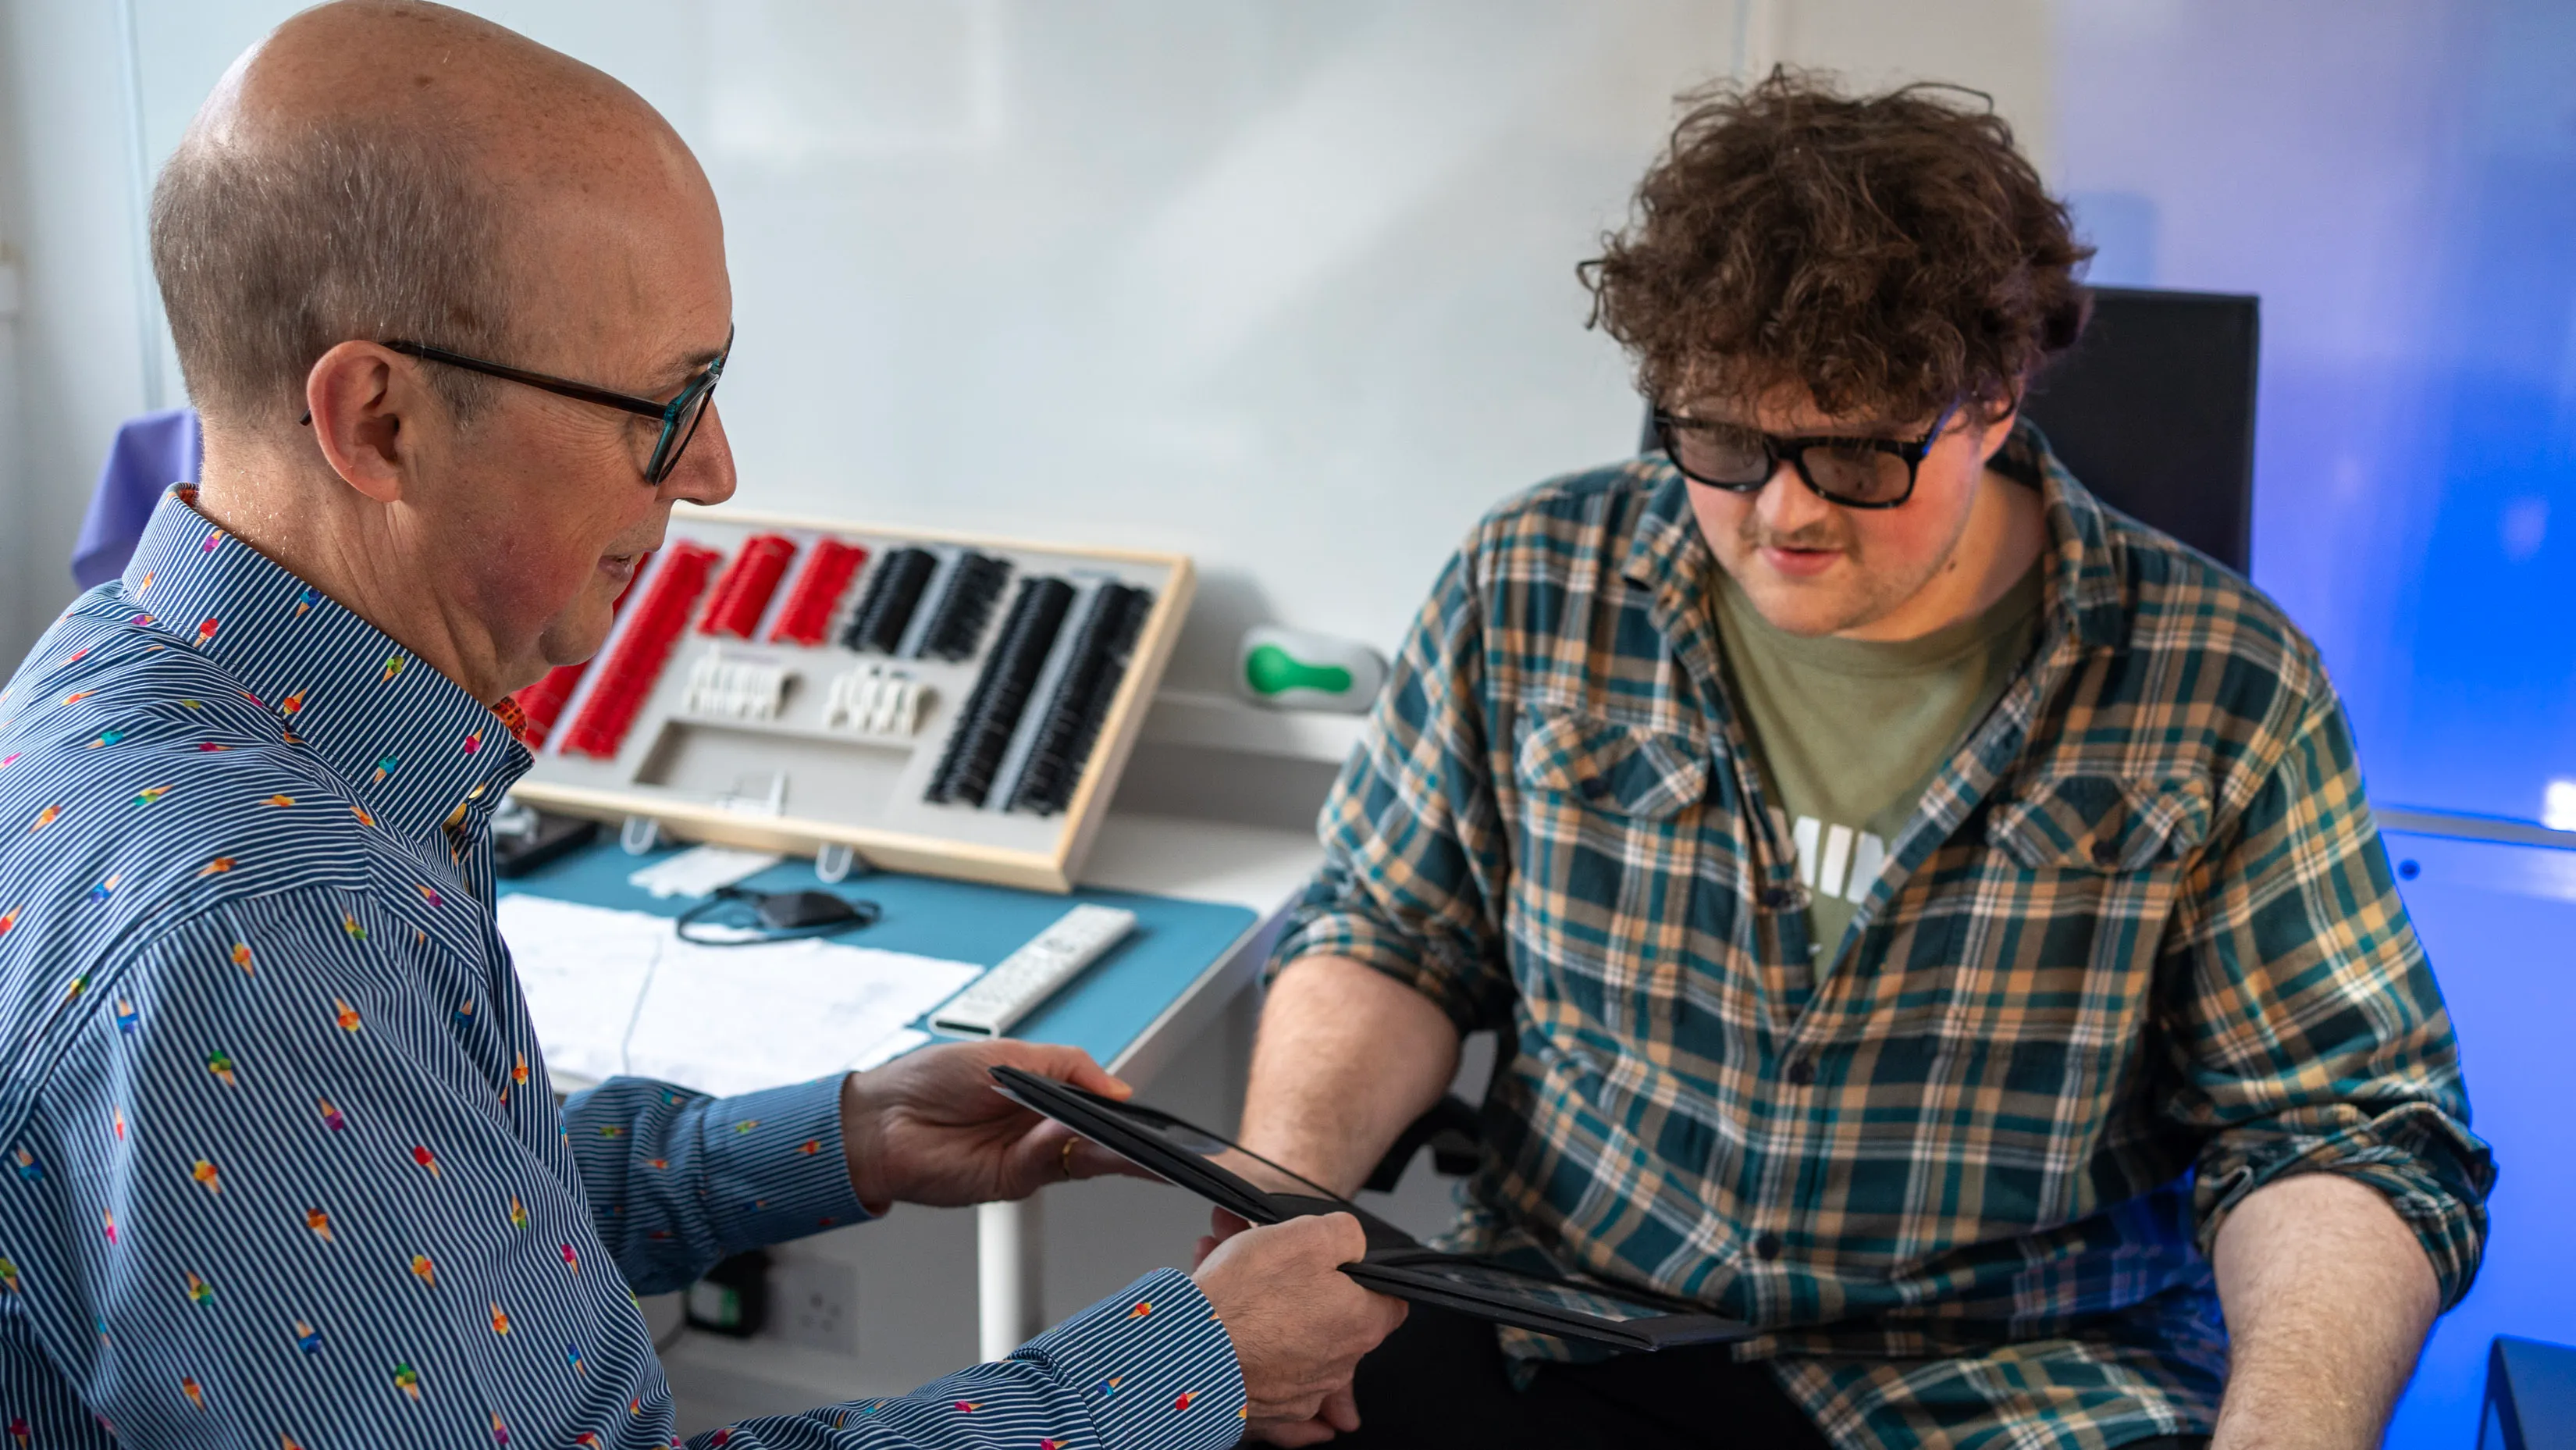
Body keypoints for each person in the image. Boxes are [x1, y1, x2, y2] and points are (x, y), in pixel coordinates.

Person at [0, 5, 1404, 1448]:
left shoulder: (123, 688)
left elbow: (419, 1237)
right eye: (666, 406)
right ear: (379, 424)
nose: (719, 470)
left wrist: (839, 1139)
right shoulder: (265, 925)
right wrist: (1188, 1367)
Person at [1227, 72, 2492, 1450]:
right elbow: (1393, 936)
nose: (1781, 515)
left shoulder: (2224, 684)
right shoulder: (1532, 577)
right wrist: (1271, 1230)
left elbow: (2343, 1128)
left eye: (1852, 456)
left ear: (1996, 399)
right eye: (1721, 438)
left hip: (2006, 1387)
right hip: (1561, 1328)